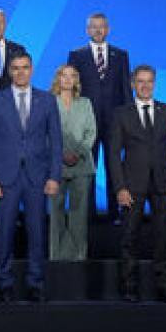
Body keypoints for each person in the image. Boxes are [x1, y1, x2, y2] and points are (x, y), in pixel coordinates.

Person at [0, 54, 62, 303]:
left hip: (37, 177)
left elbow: (56, 142)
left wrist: (54, 176)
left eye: (25, 68)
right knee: (4, 232)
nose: (20, 72)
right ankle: (4, 283)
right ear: (9, 71)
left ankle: (35, 282)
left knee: (36, 232)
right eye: (15, 68)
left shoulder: (47, 100)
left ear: (32, 70)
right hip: (6, 177)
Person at [108, 66, 166, 303]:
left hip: (162, 184)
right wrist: (120, 187)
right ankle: (129, 287)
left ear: (154, 84)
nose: (145, 86)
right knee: (130, 237)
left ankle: (165, 287)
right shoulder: (121, 113)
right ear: (133, 84)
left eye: (149, 81)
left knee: (163, 237)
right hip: (132, 185)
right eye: (140, 81)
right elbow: (113, 154)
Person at [67, 12, 131, 223]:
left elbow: (126, 90)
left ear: (108, 29)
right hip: (87, 123)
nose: (97, 30)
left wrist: (129, 122)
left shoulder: (120, 55)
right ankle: (87, 214)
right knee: (87, 168)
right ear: (88, 30)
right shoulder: (77, 55)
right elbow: (71, 90)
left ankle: (116, 212)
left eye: (101, 26)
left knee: (115, 168)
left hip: (114, 123)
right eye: (93, 26)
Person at [49, 65, 96, 263]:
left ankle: (78, 256)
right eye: (64, 75)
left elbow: (91, 132)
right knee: (56, 213)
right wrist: (60, 154)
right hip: (55, 166)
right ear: (58, 79)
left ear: (76, 80)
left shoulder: (85, 103)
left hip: (82, 165)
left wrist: (77, 153)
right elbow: (43, 132)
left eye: (72, 76)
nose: (68, 79)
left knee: (79, 213)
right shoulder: (48, 102)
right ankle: (56, 256)